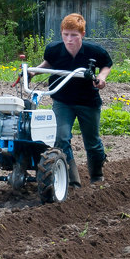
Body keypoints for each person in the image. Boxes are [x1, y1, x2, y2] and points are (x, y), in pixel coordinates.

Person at [35, 13, 113, 187]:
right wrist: (33, 71)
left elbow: (106, 65)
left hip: (88, 101)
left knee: (92, 143)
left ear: (82, 34)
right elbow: (47, 64)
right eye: (65, 34)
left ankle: (96, 175)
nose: (69, 39)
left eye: (74, 35)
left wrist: (101, 77)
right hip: (63, 101)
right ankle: (71, 179)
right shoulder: (54, 49)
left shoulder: (94, 51)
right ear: (61, 33)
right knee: (61, 138)